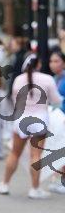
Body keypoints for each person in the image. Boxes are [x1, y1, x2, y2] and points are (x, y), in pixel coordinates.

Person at [0, 53, 62, 199]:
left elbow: (15, 100)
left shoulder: (18, 79)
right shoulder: (48, 79)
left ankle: (4, 184)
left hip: (21, 120)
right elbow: (56, 100)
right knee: (36, 155)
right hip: (40, 120)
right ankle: (34, 188)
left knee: (14, 153)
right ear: (38, 64)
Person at [47, 49, 65, 194]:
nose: (53, 64)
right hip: (57, 119)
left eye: (56, 61)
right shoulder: (54, 78)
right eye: (51, 61)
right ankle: (60, 179)